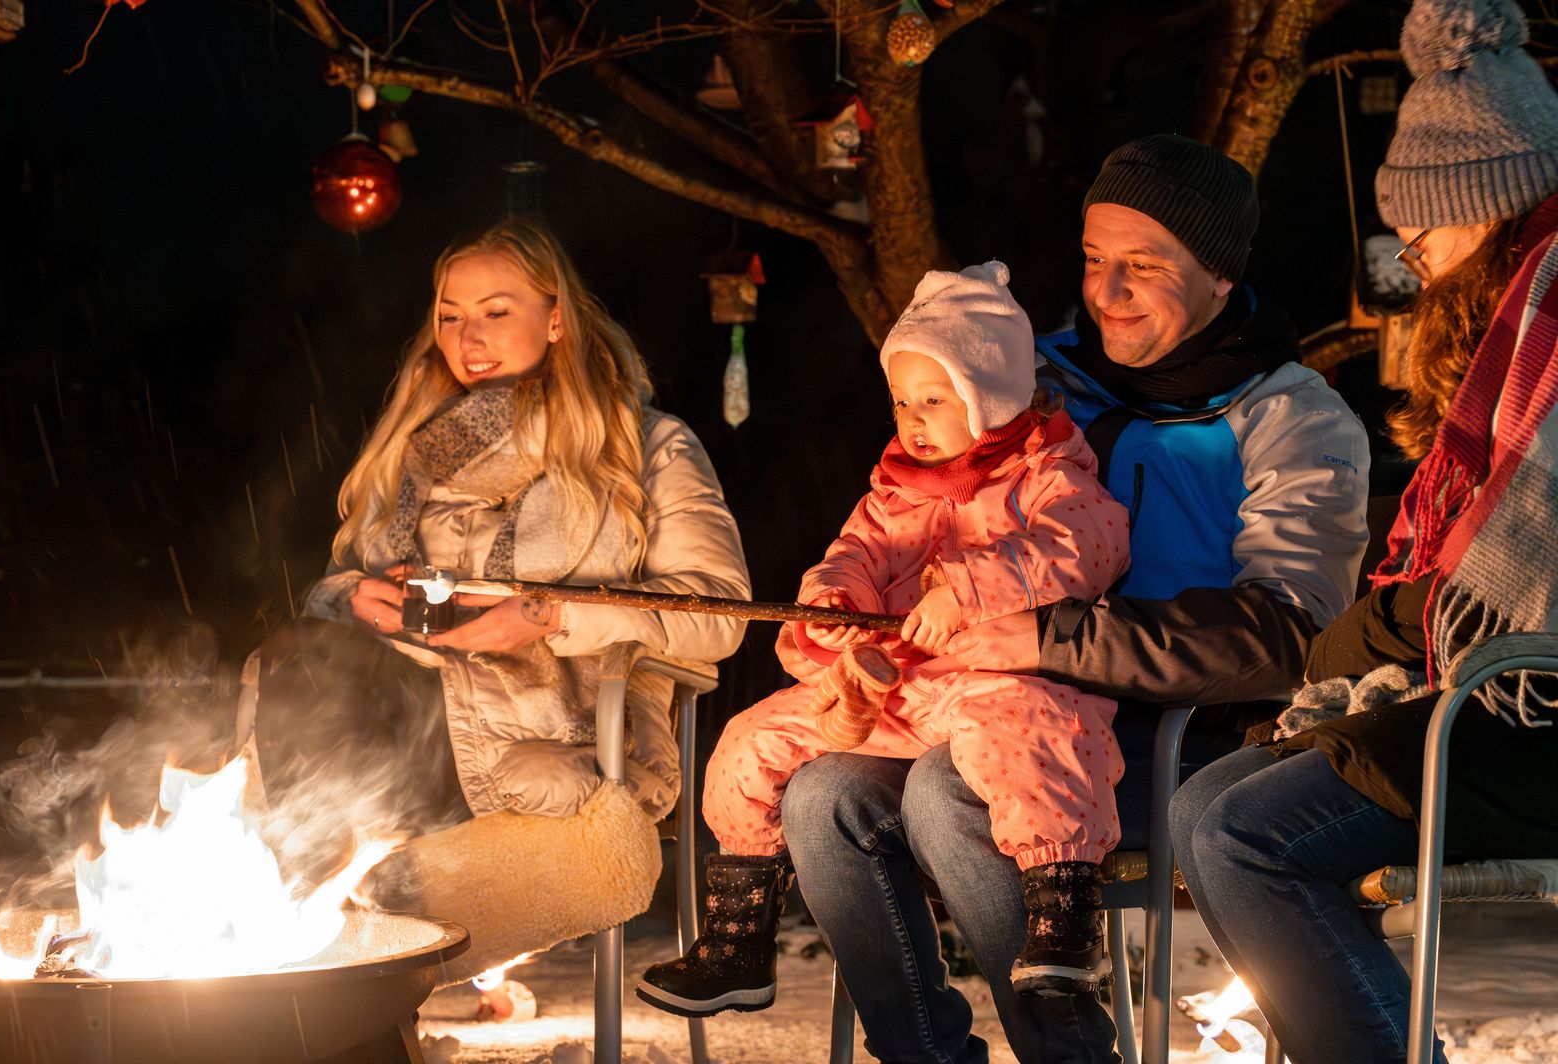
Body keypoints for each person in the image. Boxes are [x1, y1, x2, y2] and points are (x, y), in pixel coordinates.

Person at [779, 134, 1372, 1063]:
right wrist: (857, 627)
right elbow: (910, 515)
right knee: (822, 796)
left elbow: (1287, 633)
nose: (1108, 292)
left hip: (1182, 742)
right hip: (983, 707)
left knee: (947, 793)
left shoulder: (1287, 417)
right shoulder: (1030, 381)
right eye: (1096, 260)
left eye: (1145, 265)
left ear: (1219, 276)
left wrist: (1053, 639)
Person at [1170, 2, 1558, 1060]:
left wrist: (1380, 629)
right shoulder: (1508, 337)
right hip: (1475, 696)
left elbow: (1513, 590)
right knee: (1205, 799)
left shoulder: (1551, 320)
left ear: (1492, 203)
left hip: (1529, 712)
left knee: (1248, 836)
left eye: (1429, 224)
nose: (1413, 251)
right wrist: (1382, 633)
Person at [635, 262, 1130, 1020]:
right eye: (902, 400)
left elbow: (1083, 548)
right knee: (746, 742)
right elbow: (851, 558)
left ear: (992, 398)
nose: (913, 419)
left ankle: (1060, 914)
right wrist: (834, 609)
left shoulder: (1049, 473)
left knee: (1031, 734)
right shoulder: (893, 494)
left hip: (996, 681)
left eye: (936, 400)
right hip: (895, 694)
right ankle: (740, 939)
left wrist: (967, 587)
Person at [247, 218, 750, 867]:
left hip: (563, 726)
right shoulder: (417, 450)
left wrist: (551, 617)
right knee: (297, 662)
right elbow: (339, 579)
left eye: (495, 312)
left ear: (557, 320)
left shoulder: (643, 448)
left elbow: (721, 615)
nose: (468, 338)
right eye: (450, 317)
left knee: (334, 741)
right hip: (408, 704)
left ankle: (339, 901)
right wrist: (353, 599)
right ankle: (309, 912)